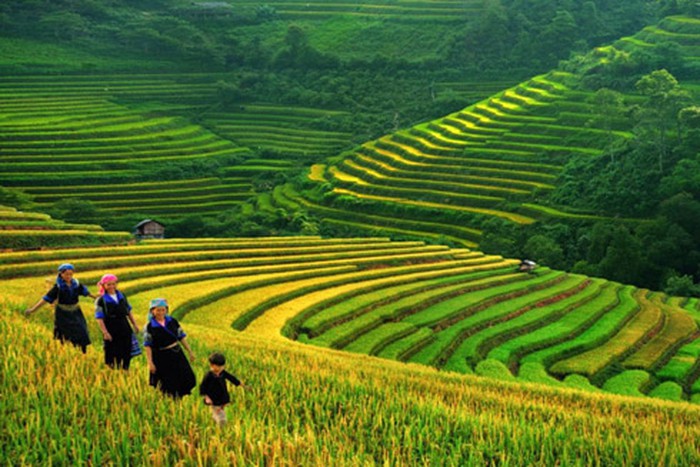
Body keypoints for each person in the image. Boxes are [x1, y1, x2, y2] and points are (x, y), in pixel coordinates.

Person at [25, 263, 96, 353]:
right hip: (63, 313)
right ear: (61, 274)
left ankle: (83, 352)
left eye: (71, 274)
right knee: (64, 335)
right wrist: (33, 309)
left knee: (82, 331)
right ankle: (65, 353)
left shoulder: (76, 284)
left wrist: (96, 297)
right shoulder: (58, 287)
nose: (69, 276)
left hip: (76, 312)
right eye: (66, 274)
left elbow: (87, 293)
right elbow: (46, 299)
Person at [144, 298, 196, 398]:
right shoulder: (149, 327)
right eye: (158, 310)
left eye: (163, 310)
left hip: (176, 353)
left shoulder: (172, 321)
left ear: (166, 310)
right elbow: (148, 345)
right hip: (161, 357)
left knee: (186, 375)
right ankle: (171, 400)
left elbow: (181, 336)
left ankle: (180, 398)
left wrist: (189, 351)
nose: (160, 312)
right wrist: (150, 362)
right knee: (167, 381)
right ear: (152, 311)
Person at [94, 274, 139, 370]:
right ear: (103, 286)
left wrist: (134, 324)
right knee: (112, 352)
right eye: (108, 284)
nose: (111, 287)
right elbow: (99, 317)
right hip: (111, 327)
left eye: (113, 284)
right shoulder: (100, 300)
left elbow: (128, 311)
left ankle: (125, 370)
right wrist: (105, 332)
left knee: (126, 350)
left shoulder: (122, 296)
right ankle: (113, 373)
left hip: (124, 325)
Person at [199, 352, 245, 427]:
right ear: (212, 365)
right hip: (213, 397)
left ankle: (215, 420)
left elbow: (231, 378)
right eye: (218, 367)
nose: (221, 368)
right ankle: (221, 426)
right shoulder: (208, 375)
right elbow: (203, 386)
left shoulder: (223, 373)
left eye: (222, 366)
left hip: (223, 395)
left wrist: (239, 383)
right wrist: (206, 397)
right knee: (220, 414)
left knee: (221, 409)